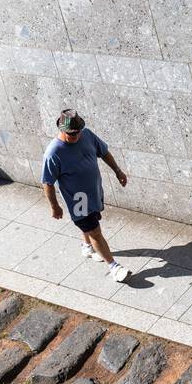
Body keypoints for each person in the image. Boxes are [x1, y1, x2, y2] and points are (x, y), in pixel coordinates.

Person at [41, 110, 131, 283]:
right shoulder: (53, 153)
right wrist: (54, 206)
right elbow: (48, 182)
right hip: (78, 200)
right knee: (94, 231)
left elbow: (103, 152)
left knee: (91, 226)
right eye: (71, 133)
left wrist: (118, 171)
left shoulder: (87, 135)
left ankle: (87, 247)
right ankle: (114, 267)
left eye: (77, 131)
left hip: (94, 192)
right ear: (61, 129)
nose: (75, 135)